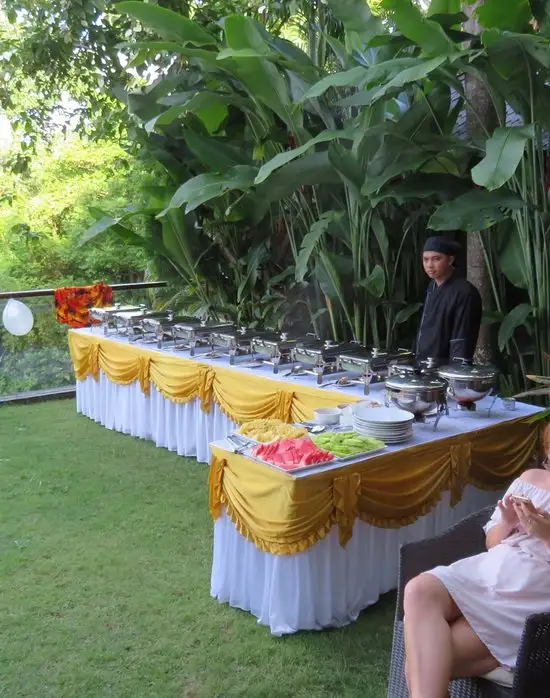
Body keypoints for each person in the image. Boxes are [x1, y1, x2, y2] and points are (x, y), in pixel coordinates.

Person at [403, 464, 550, 698]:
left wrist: (546, 534)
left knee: (420, 666)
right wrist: (508, 522)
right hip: (487, 572)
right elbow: (492, 541)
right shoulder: (530, 478)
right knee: (419, 590)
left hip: (526, 596)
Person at [415, 236, 482, 365]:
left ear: (450, 260)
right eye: (426, 259)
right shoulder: (432, 287)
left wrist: (456, 372)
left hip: (445, 368)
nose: (429, 265)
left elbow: (462, 337)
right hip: (424, 364)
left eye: (436, 259)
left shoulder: (464, 292)